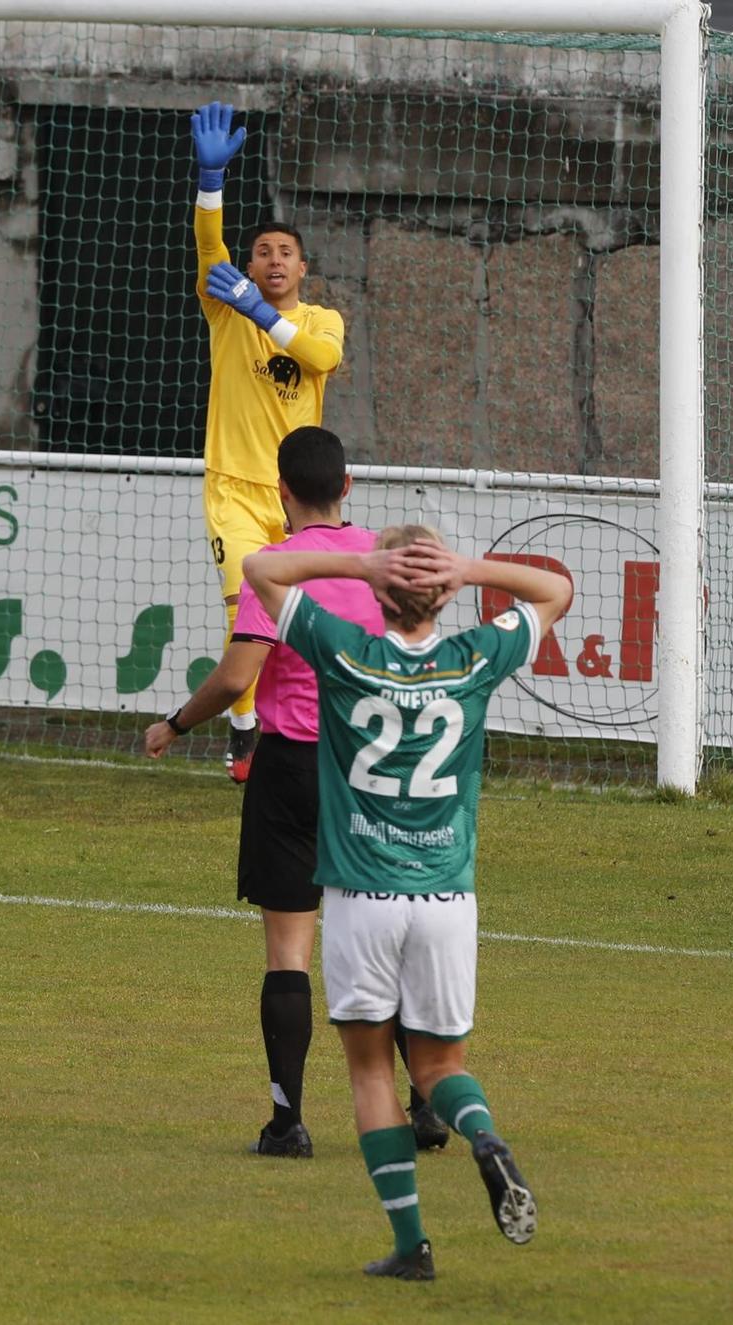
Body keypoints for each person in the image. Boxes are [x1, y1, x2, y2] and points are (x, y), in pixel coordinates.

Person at [243, 527, 573, 1280]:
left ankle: (410, 1244)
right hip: (447, 899)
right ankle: (483, 1136)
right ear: (443, 594)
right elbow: (557, 590)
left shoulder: (342, 648)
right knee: (439, 1065)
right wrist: (470, 570)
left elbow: (261, 568)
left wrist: (361, 564)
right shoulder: (474, 657)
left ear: (381, 594)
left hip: (362, 898)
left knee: (370, 1072)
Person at [144, 426, 447, 1159]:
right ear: (348, 486)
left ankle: (288, 1123)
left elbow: (238, 676)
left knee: (289, 953)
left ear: (281, 492)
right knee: (392, 942)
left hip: (291, 769)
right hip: (374, 771)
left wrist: (176, 723)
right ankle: (429, 1104)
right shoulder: (387, 561)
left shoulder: (275, 567)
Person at [189, 102, 345, 782]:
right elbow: (207, 246)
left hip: (298, 498)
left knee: (295, 622)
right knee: (244, 609)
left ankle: (289, 727)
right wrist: (209, 181)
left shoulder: (321, 320)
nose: (273, 260)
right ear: (248, 264)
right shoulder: (226, 311)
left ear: (302, 268)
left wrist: (264, 313)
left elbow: (320, 358)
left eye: (285, 253)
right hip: (233, 488)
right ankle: (245, 728)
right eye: (262, 252)